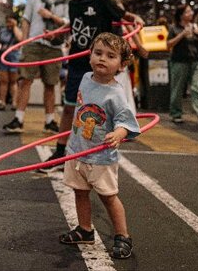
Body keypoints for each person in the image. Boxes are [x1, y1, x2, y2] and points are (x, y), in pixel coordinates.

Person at [45, 0, 142, 165]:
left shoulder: (102, 2)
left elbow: (124, 16)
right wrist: (59, 31)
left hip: (101, 64)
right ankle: (61, 150)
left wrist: (135, 19)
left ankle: (101, 146)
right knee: (70, 106)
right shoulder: (72, 5)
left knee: (101, 108)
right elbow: (73, 25)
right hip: (78, 62)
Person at [58, 33, 140, 260]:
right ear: (90, 55)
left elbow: (127, 121)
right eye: (98, 53)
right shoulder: (85, 78)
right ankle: (85, 229)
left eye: (110, 56)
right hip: (77, 150)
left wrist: (118, 133)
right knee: (80, 192)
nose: (102, 59)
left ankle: (122, 236)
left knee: (108, 196)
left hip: (100, 156)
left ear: (122, 65)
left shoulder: (116, 94)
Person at [3, 0, 69, 133]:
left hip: (54, 46)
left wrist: (51, 16)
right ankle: (18, 119)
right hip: (33, 44)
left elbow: (68, 23)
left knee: (50, 83)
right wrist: (24, 43)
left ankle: (49, 121)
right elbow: (26, 20)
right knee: (25, 80)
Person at [167, 5, 198, 125]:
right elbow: (168, 45)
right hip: (179, 61)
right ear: (181, 15)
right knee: (177, 88)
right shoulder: (174, 28)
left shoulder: (195, 27)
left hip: (195, 61)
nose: (191, 13)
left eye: (191, 11)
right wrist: (182, 34)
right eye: (188, 11)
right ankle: (176, 113)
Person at [0, 14, 22, 112]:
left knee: (14, 81)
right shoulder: (2, 31)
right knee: (3, 80)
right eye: (8, 21)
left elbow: (20, 38)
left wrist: (14, 27)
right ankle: (3, 102)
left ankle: (14, 102)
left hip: (14, 57)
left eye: (11, 21)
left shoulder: (18, 30)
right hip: (3, 57)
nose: (9, 23)